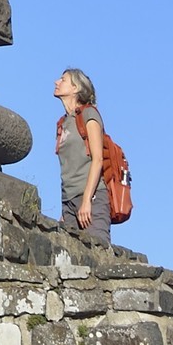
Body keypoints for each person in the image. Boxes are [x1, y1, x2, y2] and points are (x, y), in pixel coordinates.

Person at [53, 68, 110, 242]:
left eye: (63, 79)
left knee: (98, 253)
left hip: (91, 197)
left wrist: (87, 201)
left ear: (76, 88)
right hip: (68, 202)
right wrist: (64, 211)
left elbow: (97, 159)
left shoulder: (89, 114)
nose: (57, 82)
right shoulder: (63, 123)